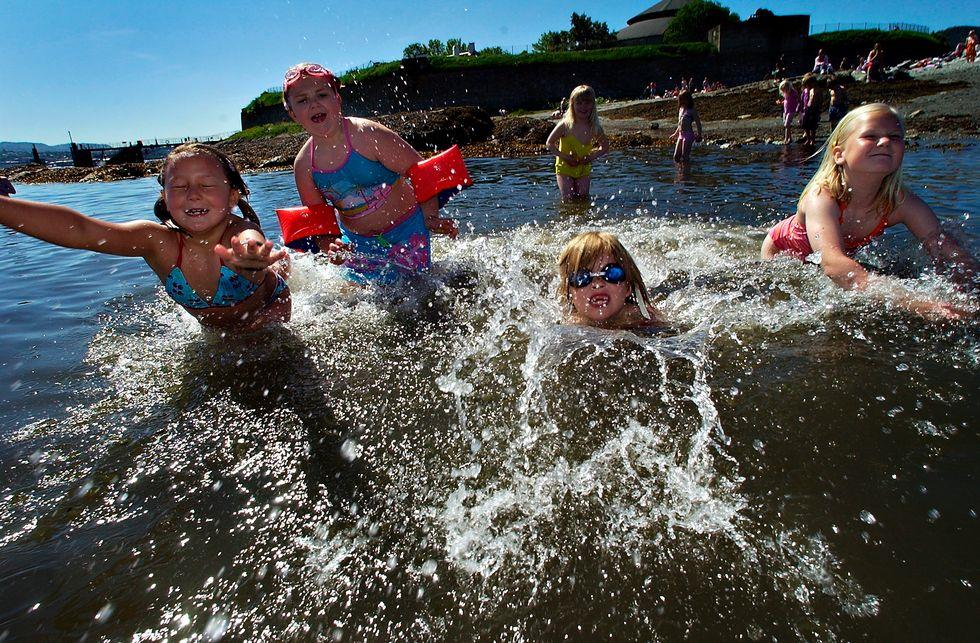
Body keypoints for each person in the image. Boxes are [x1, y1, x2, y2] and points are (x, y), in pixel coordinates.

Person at [0, 144, 291, 330]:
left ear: (232, 197)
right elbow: (84, 231)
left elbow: (249, 239)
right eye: (179, 186)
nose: (192, 193)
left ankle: (284, 265)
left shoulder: (237, 233)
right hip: (217, 330)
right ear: (165, 198)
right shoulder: (155, 242)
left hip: (269, 311)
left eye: (206, 184)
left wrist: (251, 254)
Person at [761, 103, 977, 316]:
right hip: (782, 252)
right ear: (839, 154)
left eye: (894, 137)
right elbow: (832, 263)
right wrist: (917, 302)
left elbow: (942, 244)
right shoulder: (821, 198)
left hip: (834, 253)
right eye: (870, 137)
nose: (884, 142)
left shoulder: (900, 202)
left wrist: (968, 284)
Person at [285, 62, 457, 283]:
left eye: (322, 94)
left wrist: (431, 216)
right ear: (292, 114)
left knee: (416, 291)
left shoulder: (367, 135)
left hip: (406, 228)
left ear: (338, 98)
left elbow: (420, 171)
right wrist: (330, 246)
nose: (314, 104)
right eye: (302, 100)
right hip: (358, 243)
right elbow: (319, 220)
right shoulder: (304, 165)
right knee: (363, 300)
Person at [557, 231, 664, 329]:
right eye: (582, 277)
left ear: (628, 287)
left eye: (612, 273)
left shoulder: (646, 320)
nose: (597, 283)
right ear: (569, 292)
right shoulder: (565, 328)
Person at [546, 85, 610, 200]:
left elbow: (605, 146)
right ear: (572, 104)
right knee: (568, 199)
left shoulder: (594, 127)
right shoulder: (565, 125)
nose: (583, 107)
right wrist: (565, 157)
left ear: (593, 105)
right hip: (564, 166)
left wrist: (591, 157)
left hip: (583, 167)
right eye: (579, 103)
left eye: (587, 103)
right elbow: (549, 144)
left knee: (583, 198)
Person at [669, 90, 702, 162]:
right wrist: (675, 133)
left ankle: (687, 172)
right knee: (676, 157)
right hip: (681, 134)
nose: (681, 102)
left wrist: (699, 134)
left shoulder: (692, 110)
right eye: (680, 100)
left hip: (688, 134)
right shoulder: (681, 109)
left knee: (685, 156)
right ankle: (680, 172)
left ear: (688, 100)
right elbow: (680, 123)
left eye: (683, 100)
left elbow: (698, 123)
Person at [799, 74, 824, 146]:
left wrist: (819, 108)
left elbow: (820, 100)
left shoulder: (817, 90)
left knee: (812, 126)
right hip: (808, 108)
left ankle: (812, 140)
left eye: (808, 85)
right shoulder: (808, 90)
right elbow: (805, 99)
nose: (808, 86)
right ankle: (808, 138)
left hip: (814, 109)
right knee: (805, 125)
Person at [777, 79, 802, 145]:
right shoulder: (786, 93)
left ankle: (787, 138)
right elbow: (786, 101)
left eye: (784, 89)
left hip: (791, 110)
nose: (783, 91)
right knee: (786, 125)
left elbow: (798, 99)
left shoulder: (793, 92)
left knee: (787, 124)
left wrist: (799, 107)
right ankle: (788, 138)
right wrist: (781, 103)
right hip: (786, 111)